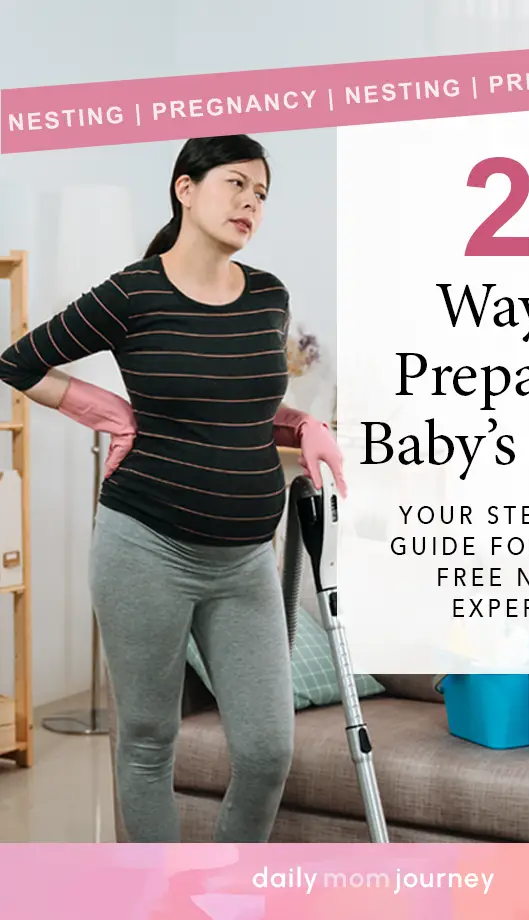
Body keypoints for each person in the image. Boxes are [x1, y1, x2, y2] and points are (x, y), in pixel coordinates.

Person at [0, 134, 346, 843]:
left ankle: (224, 890)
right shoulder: (134, 292)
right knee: (150, 742)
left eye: (262, 194)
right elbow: (19, 361)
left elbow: (240, 408)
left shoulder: (269, 296)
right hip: (145, 553)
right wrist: (105, 409)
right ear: (184, 188)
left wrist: (304, 422)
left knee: (266, 749)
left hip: (246, 562)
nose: (251, 202)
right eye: (236, 184)